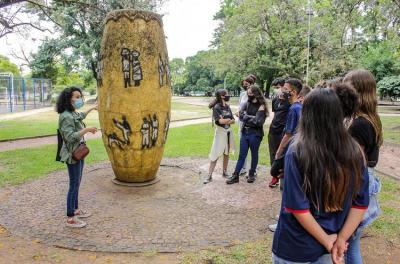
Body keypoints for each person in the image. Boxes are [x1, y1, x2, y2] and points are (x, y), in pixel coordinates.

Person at [272, 88, 369, 264]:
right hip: (330, 245)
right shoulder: (356, 151)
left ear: (307, 113)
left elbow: (298, 208)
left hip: (296, 246)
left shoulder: (296, 150)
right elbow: (360, 204)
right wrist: (340, 240)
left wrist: (330, 242)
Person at [342, 69, 383, 264]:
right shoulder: (369, 119)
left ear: (358, 91)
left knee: (349, 244)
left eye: (347, 86)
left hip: (357, 184)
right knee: (352, 243)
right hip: (364, 181)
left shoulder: (360, 124)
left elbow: (352, 161)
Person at [268, 80, 311, 232]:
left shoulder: (294, 108)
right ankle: (285, 215)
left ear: (292, 92)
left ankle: (285, 219)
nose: (282, 91)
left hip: (289, 151)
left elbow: (288, 134)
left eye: (285, 89)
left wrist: (279, 151)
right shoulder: (301, 107)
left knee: (285, 186)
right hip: (298, 151)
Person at [56, 87, 98, 228]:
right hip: (72, 154)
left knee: (77, 182)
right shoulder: (65, 116)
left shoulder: (71, 113)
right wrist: (86, 129)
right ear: (69, 99)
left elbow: (80, 116)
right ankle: (70, 217)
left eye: (80, 96)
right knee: (73, 184)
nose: (80, 99)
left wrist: (92, 109)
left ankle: (76, 209)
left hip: (79, 151)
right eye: (77, 96)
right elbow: (69, 137)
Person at [226, 84, 268, 184]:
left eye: (251, 93)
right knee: (242, 155)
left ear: (256, 93)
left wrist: (245, 116)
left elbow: (258, 122)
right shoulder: (247, 103)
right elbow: (240, 116)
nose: (249, 95)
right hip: (245, 132)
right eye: (248, 93)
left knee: (254, 154)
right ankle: (235, 175)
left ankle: (252, 173)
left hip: (255, 134)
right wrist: (249, 117)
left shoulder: (262, 106)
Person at [204, 89, 235, 184]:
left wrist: (226, 120)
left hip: (228, 133)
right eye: (227, 94)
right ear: (222, 96)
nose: (228, 95)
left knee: (226, 153)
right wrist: (228, 120)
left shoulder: (227, 106)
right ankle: (209, 175)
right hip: (220, 133)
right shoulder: (217, 107)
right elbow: (220, 121)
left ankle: (225, 172)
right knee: (215, 153)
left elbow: (233, 120)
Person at [268, 77, 290, 188]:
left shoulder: (290, 100)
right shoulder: (275, 99)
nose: (277, 90)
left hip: (284, 132)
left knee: (282, 154)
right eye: (275, 88)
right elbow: (275, 114)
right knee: (273, 154)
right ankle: (274, 176)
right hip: (273, 130)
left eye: (278, 87)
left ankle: (284, 177)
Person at [236, 74, 257, 176]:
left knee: (253, 149)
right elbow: (240, 108)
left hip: (252, 125)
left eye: (247, 84)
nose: (246, 86)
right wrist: (238, 113)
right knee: (242, 147)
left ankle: (253, 170)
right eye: (244, 84)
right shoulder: (242, 94)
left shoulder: (256, 95)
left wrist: (244, 115)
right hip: (242, 123)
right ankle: (243, 168)